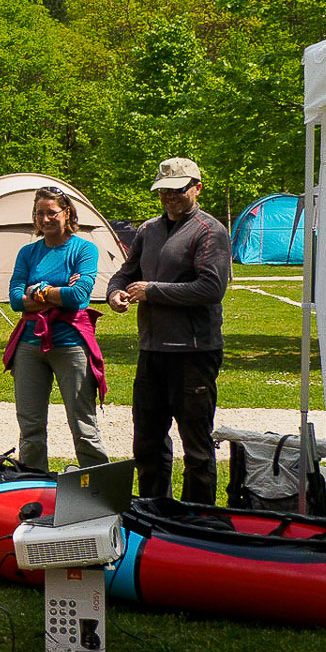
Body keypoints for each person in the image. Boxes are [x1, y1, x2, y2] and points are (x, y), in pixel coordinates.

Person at [107, 157, 233, 506]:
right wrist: (115, 293)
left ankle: (198, 518)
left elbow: (210, 288)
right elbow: (125, 274)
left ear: (197, 188)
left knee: (196, 446)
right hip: (153, 350)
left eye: (177, 190)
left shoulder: (210, 231)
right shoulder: (148, 230)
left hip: (194, 352)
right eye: (163, 191)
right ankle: (154, 512)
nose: (170, 197)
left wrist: (153, 291)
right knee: (147, 441)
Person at [4, 188, 107, 470]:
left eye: (52, 212)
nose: (45, 218)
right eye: (40, 213)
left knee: (83, 426)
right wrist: (54, 292)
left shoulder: (84, 249)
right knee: (31, 429)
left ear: (68, 214)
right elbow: (15, 300)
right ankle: (32, 485)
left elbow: (79, 297)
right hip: (29, 345)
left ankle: (97, 489)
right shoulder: (28, 253)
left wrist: (36, 292)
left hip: (70, 345)